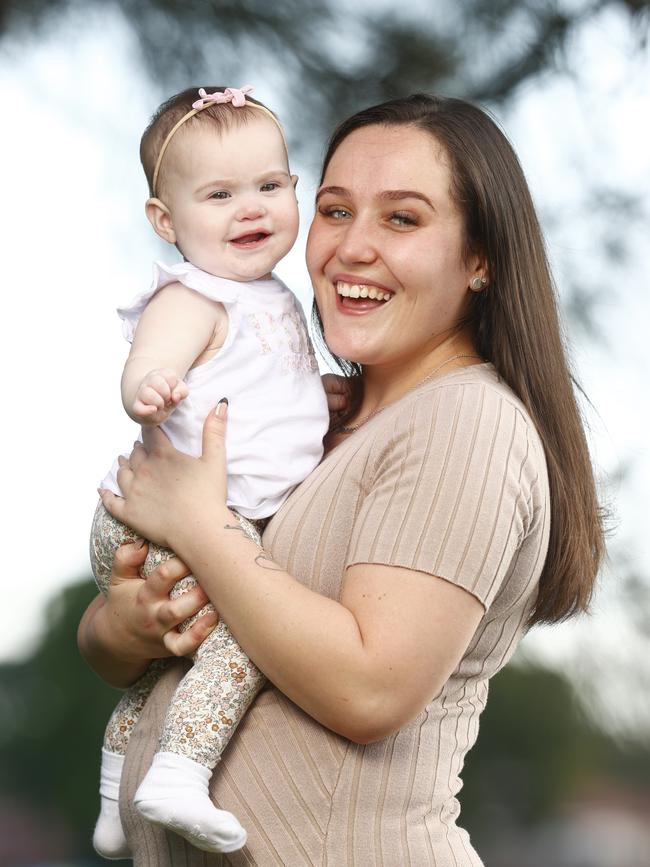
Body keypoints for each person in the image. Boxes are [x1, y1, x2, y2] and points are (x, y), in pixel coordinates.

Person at [80, 93, 604, 866]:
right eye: (334, 210)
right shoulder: (308, 427)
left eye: (401, 219)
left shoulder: (468, 421)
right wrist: (124, 628)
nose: (352, 247)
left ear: (481, 256)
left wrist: (197, 523)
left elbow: (370, 690)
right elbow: (113, 645)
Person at [89, 84, 329, 858]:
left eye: (268, 185)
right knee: (247, 638)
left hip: (200, 517)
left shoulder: (272, 295)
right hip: (161, 514)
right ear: (166, 220)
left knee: (155, 667)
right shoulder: (193, 295)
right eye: (219, 194)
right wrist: (149, 389)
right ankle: (179, 773)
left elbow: (265, 386)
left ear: (294, 189)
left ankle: (111, 787)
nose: (249, 207)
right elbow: (146, 366)